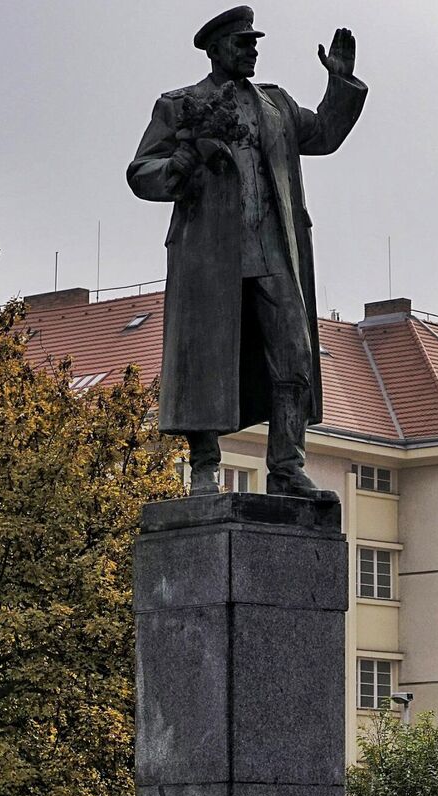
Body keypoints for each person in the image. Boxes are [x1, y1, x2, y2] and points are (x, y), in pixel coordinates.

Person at [128, 6, 367, 499]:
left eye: (254, 42)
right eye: (242, 43)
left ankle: (286, 467)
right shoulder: (181, 105)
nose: (253, 49)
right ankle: (203, 468)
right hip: (209, 255)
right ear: (216, 50)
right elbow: (140, 172)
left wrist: (340, 85)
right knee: (205, 361)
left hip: (273, 249)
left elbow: (322, 133)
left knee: (295, 355)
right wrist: (184, 159)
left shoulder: (275, 104)